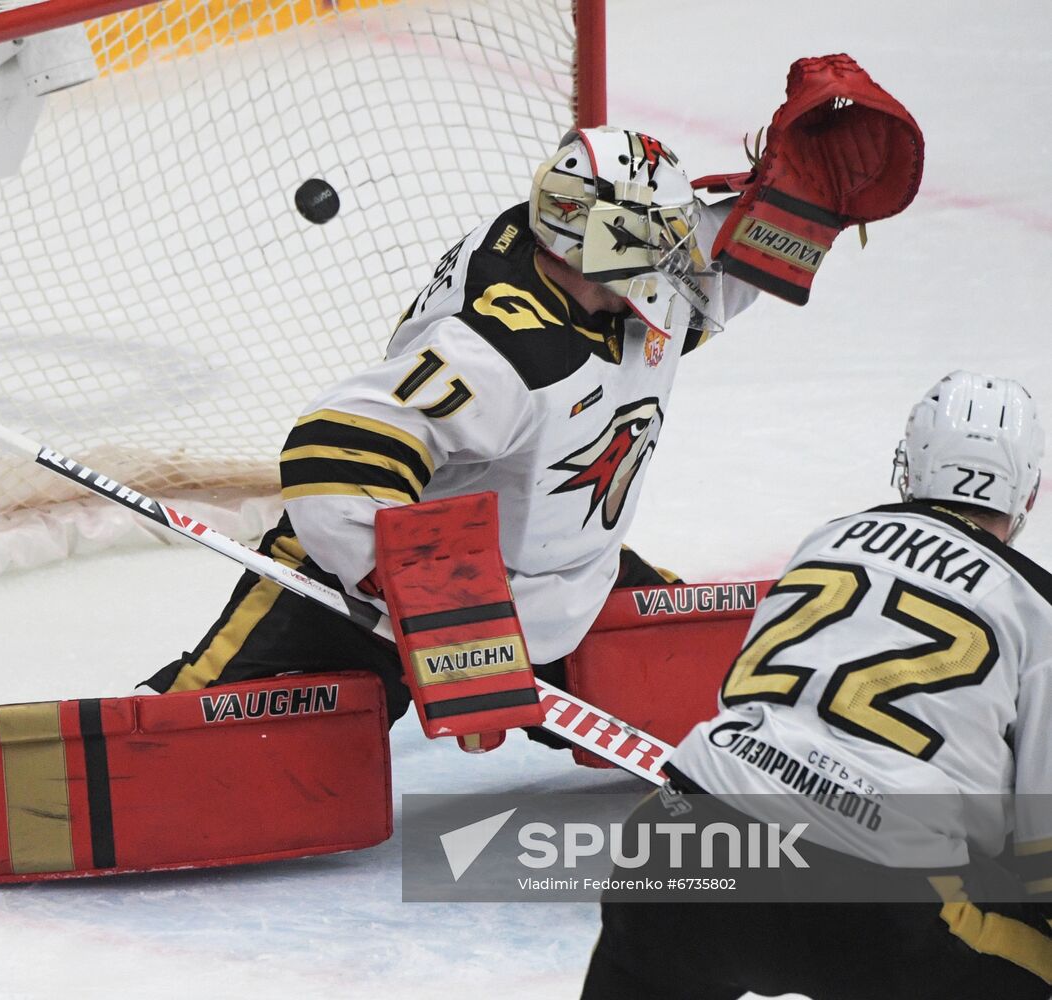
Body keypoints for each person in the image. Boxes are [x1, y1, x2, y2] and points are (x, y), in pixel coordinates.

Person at [141, 127, 759, 721]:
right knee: (205, 755)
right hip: (378, 596)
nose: (684, 257)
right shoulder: (500, 355)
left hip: (567, 583)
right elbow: (329, 455)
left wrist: (800, 214)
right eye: (663, 239)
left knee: (736, 697)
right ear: (605, 244)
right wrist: (445, 616)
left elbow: (719, 256)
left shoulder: (612, 268)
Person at [582, 371, 1052, 999]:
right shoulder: (1037, 608)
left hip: (683, 843)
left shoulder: (826, 540)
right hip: (874, 901)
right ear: (1029, 494)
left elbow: (744, 703)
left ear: (908, 470)